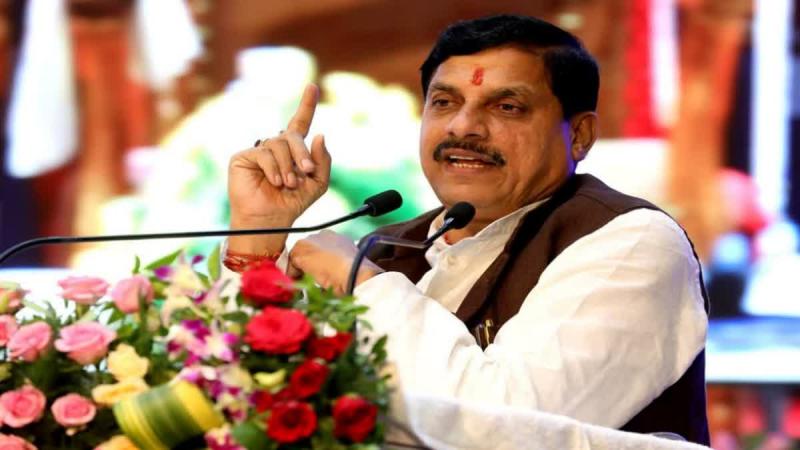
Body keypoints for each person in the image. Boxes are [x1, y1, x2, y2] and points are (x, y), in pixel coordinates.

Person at [226, 14, 710, 446]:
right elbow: (240, 397)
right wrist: (258, 229)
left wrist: (364, 282)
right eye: (444, 102)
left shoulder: (630, 242)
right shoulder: (391, 248)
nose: (463, 127)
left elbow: (506, 423)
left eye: (507, 107)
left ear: (579, 135)